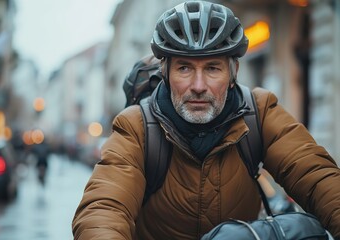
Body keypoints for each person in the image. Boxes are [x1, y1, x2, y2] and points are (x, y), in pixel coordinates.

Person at [72, 1, 340, 239]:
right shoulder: (137, 126)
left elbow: (317, 178)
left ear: (233, 72)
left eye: (212, 68)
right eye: (184, 68)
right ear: (165, 72)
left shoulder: (259, 111)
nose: (198, 86)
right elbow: (104, 208)